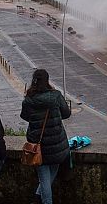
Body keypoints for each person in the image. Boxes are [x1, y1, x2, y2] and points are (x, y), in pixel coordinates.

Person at [20, 69, 71, 204]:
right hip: (57, 144)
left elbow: (24, 116)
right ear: (47, 81)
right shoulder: (56, 96)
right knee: (48, 177)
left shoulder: (28, 100)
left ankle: (37, 199)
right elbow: (66, 113)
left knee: (44, 178)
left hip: (37, 144)